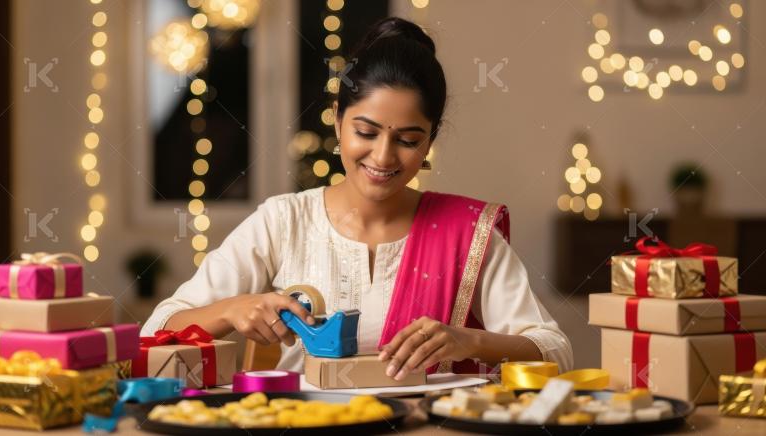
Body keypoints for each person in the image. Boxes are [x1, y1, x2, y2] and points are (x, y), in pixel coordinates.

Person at [142, 17, 572, 380]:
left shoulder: (467, 231)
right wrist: (233, 309)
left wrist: (468, 340)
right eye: (365, 133)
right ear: (337, 119)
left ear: (429, 142)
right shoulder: (283, 221)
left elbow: (554, 350)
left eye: (407, 140)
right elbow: (157, 330)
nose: (383, 157)